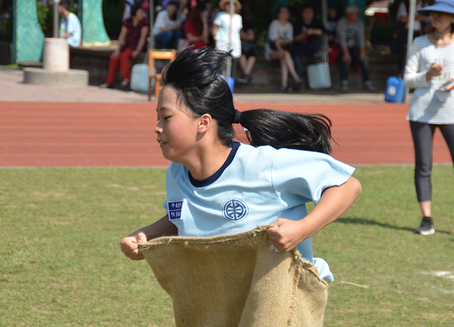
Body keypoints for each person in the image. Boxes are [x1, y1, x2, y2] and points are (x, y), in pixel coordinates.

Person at [120, 46, 361, 292]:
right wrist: (146, 236)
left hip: (284, 304)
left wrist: (302, 229)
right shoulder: (177, 173)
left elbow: (348, 185)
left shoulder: (263, 165)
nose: (157, 127)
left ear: (203, 122)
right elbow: (181, 217)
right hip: (223, 306)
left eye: (166, 117)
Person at [403, 0, 454, 238]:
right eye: (433, 14)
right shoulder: (419, 43)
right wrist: (427, 75)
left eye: (442, 14)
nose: (436, 18)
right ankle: (427, 219)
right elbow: (408, 79)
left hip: (453, 111)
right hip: (421, 112)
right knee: (423, 166)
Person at [101, 4, 149, 89]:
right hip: (127, 45)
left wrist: (138, 50)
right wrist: (117, 50)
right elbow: (122, 36)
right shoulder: (128, 21)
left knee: (124, 55)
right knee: (114, 57)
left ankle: (125, 79)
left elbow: (143, 38)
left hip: (135, 46)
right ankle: (109, 82)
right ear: (135, 14)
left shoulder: (145, 23)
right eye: (140, 12)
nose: (142, 14)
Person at [335, 5, 376, 92]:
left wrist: (362, 53)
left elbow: (361, 39)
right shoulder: (341, 23)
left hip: (354, 48)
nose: (357, 15)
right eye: (354, 14)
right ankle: (343, 83)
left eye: (357, 14)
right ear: (348, 14)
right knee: (345, 60)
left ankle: (367, 83)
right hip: (341, 49)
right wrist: (346, 54)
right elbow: (342, 40)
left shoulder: (359, 23)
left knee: (364, 60)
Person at [265, 6, 303, 92]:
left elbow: (290, 39)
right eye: (283, 12)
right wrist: (281, 48)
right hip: (272, 51)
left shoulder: (289, 25)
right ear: (278, 14)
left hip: (283, 52)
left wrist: (281, 42)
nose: (285, 14)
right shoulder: (274, 23)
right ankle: (296, 78)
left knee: (284, 58)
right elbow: (274, 40)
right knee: (285, 54)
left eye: (287, 12)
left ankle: (284, 86)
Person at [292, 4, 325, 78]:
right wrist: (303, 34)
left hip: (313, 47)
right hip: (300, 48)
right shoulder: (297, 23)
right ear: (302, 13)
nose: (308, 14)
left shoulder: (316, 22)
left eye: (310, 12)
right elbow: (294, 39)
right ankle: (297, 80)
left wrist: (312, 31)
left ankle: (315, 80)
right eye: (306, 12)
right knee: (296, 58)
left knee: (320, 38)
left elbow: (322, 31)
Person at [212, 0, 243, 79]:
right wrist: (217, 40)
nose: (230, 7)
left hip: (235, 43)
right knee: (221, 66)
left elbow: (238, 32)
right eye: (228, 5)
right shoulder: (221, 15)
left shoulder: (238, 17)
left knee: (233, 66)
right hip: (222, 43)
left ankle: (230, 86)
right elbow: (215, 29)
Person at [394, 0, 428, 72]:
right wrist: (418, 17)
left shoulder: (424, 5)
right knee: (403, 54)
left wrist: (411, 16)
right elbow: (402, 18)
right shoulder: (404, 4)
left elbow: (427, 18)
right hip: (405, 33)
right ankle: (402, 72)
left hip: (420, 33)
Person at [237, 7, 258, 84]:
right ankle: (246, 75)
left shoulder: (247, 24)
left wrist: (240, 34)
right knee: (241, 55)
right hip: (238, 47)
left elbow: (251, 37)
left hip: (248, 46)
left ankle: (245, 75)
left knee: (252, 56)